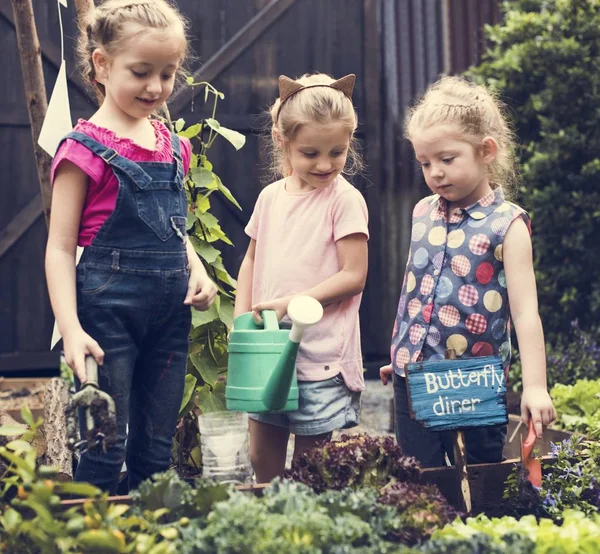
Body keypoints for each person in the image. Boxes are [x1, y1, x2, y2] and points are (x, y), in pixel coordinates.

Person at [45, 0, 217, 493]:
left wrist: (197, 267)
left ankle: (150, 539)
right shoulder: (83, 149)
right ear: (101, 64)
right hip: (105, 321)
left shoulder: (172, 144)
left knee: (156, 450)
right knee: (102, 447)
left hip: (169, 319)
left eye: (168, 73)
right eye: (141, 72)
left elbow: (173, 225)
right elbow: (59, 248)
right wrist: (71, 329)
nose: (157, 88)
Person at [380, 76, 556, 468]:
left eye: (447, 159)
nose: (435, 173)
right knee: (419, 476)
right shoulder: (422, 211)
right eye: (425, 163)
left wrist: (536, 387)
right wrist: (409, 349)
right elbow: (418, 291)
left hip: (473, 381)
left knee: (480, 480)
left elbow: (526, 313)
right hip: (416, 376)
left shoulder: (507, 225)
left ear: (486, 151)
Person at [234, 73, 369, 483]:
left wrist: (293, 304)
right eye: (310, 153)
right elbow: (251, 261)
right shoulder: (270, 197)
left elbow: (355, 274)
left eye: (337, 152)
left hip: (319, 356)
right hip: (267, 350)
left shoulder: (344, 199)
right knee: (261, 457)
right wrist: (242, 323)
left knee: (313, 468)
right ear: (282, 140)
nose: (325, 164)